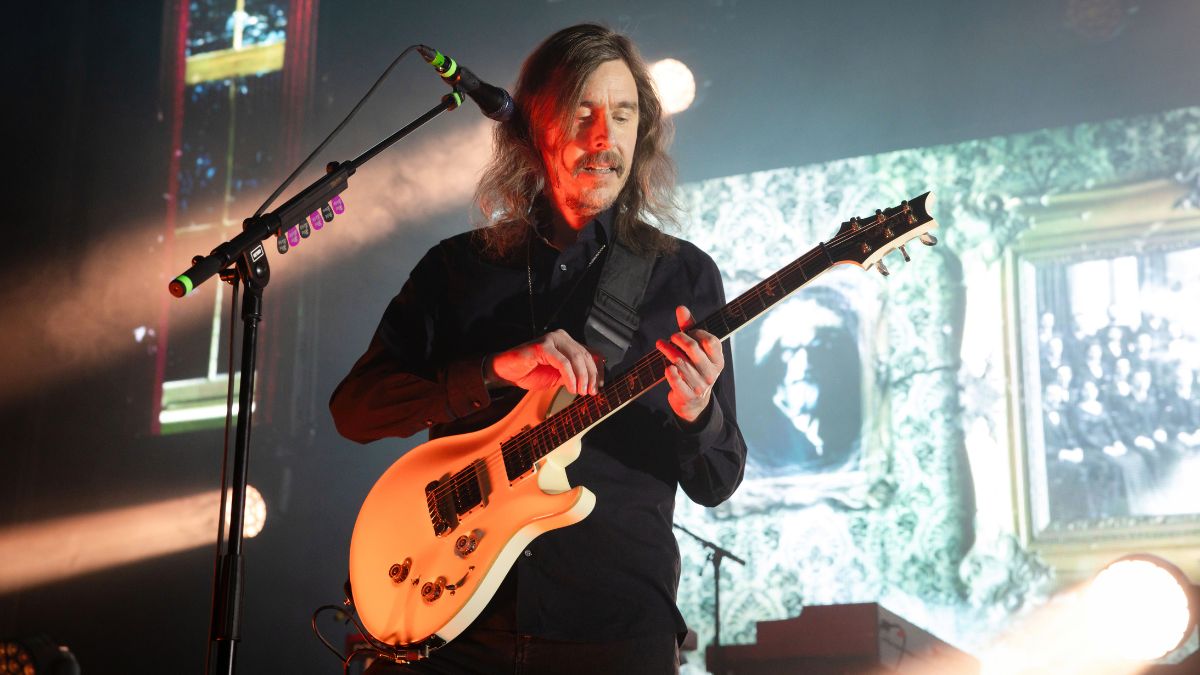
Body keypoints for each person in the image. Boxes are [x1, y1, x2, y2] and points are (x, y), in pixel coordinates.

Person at [330, 24, 747, 674]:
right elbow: (354, 411)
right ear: (533, 126)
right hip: (455, 630)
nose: (604, 137)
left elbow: (719, 480)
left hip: (612, 635)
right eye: (582, 112)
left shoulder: (680, 276)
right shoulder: (457, 269)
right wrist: (493, 369)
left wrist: (700, 412)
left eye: (623, 115)